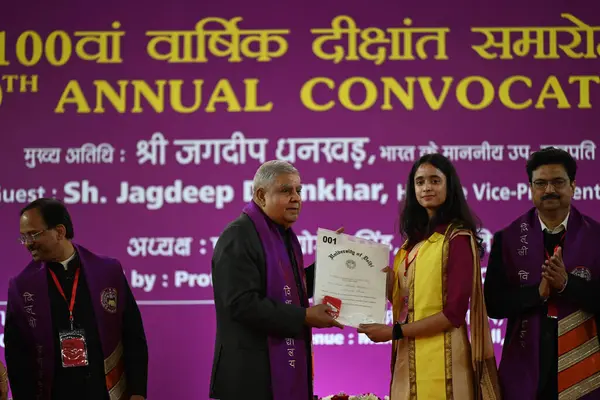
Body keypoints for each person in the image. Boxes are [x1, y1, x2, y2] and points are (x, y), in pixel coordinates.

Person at [358, 154, 501, 399]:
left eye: (435, 181)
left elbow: (454, 314)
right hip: (408, 355)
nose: (426, 188)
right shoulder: (412, 243)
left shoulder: (457, 238)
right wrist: (368, 270)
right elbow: (407, 303)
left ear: (449, 186)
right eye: (420, 181)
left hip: (445, 358)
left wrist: (395, 332)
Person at [209, 160, 343, 400]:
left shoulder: (284, 238)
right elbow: (241, 304)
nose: (296, 198)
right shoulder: (238, 236)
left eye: (298, 190)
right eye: (286, 190)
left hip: (273, 376)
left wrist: (331, 263)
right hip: (249, 381)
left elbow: (292, 288)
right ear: (261, 195)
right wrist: (304, 316)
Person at [484, 147, 600, 399]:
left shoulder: (596, 237)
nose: (549, 190)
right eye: (540, 183)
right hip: (527, 362)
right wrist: (536, 294)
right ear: (531, 188)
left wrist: (568, 285)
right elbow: (492, 305)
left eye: (558, 182)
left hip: (585, 361)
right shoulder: (507, 239)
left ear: (573, 186)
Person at [4, 198, 148, 400]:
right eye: (23, 237)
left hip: (106, 392)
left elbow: (133, 336)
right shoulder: (21, 287)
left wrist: (138, 392)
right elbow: (16, 357)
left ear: (60, 232)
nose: (27, 243)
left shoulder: (108, 272)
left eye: (33, 234)